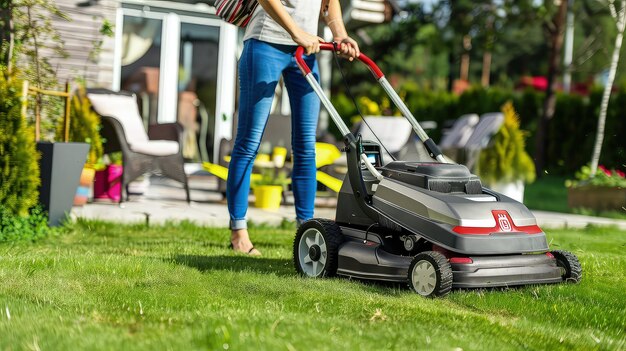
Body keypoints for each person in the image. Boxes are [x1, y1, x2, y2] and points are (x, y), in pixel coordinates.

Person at [227, 0, 360, 255]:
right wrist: (295, 32)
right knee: (249, 142)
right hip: (266, 42)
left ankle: (307, 231)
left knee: (305, 146)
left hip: (307, 50)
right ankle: (238, 231)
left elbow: (328, 3)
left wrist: (341, 34)